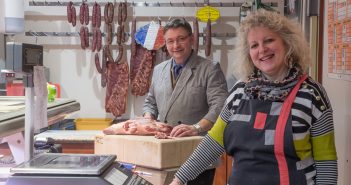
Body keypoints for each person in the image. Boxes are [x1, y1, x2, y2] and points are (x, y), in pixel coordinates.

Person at [170, 9, 338, 185]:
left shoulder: (312, 95)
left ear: (287, 43)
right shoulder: (239, 92)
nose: (262, 50)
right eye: (254, 45)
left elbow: (326, 162)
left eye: (269, 40)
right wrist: (179, 180)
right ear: (248, 53)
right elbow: (213, 142)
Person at [143, 18, 228, 185]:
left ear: (192, 39)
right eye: (170, 41)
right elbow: (150, 102)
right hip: (163, 152)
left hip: (197, 154)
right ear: (165, 44)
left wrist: (196, 128)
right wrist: (148, 120)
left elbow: (220, 106)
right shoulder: (159, 69)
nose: (176, 46)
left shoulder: (210, 68)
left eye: (181, 39)